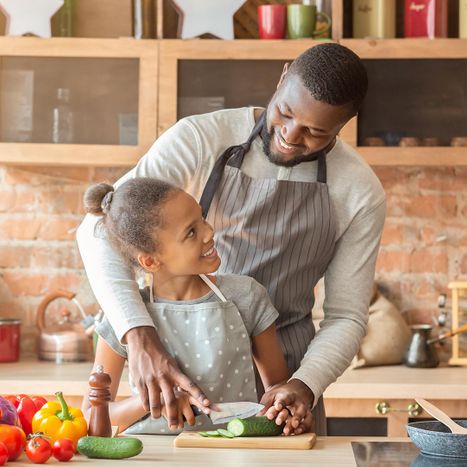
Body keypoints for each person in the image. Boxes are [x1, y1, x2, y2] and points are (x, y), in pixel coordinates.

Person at [77, 43, 386, 435]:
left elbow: (345, 316)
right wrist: (138, 334)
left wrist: (304, 385)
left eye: (315, 132)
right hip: (177, 360)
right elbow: (100, 228)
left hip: (285, 380)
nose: (290, 136)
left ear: (346, 122)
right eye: (285, 112)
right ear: (282, 76)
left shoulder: (359, 191)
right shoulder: (201, 137)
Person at [81, 178, 291, 434]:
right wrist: (154, 400)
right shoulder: (125, 318)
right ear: (150, 261)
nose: (209, 232)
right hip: (149, 456)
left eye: (202, 218)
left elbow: (278, 389)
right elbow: (92, 414)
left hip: (233, 453)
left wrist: (284, 410)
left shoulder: (246, 295)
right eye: (191, 232)